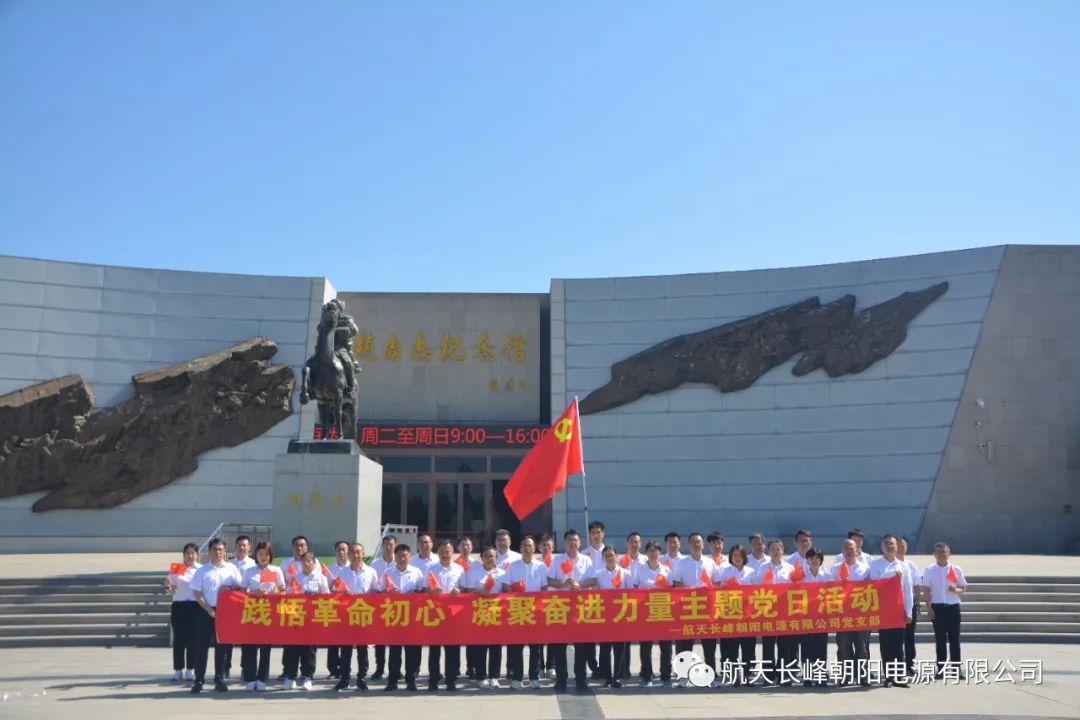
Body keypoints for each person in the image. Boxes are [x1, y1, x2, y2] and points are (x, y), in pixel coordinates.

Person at [189, 538, 243, 693]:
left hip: (225, 612)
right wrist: (208, 609)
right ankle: (199, 680)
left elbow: (240, 587)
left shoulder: (231, 568)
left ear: (224, 551)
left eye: (220, 549)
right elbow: (197, 592)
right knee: (201, 646)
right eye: (214, 549)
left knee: (222, 647)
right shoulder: (202, 570)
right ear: (209, 551)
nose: (217, 552)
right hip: (204, 611)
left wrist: (229, 588)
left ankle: (219, 679)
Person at [546, 529, 593, 692]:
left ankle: (581, 679)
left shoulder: (587, 560)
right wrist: (563, 584)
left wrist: (580, 585)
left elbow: (593, 580)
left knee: (581, 647)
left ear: (579, 542)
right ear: (565, 543)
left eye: (575, 540)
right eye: (569, 540)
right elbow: (549, 579)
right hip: (561, 607)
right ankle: (561, 680)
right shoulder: (557, 560)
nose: (572, 543)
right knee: (560, 647)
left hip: (581, 607)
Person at [670, 532, 719, 687]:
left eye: (699, 542)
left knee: (709, 646)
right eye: (693, 542)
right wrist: (690, 592)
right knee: (685, 646)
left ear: (703, 544)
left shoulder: (710, 563)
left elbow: (717, 584)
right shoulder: (681, 563)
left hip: (707, 611)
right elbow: (676, 584)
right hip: (687, 610)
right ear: (688, 545)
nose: (696, 545)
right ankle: (683, 677)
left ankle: (711, 675)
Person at [581, 545, 632, 688]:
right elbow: (594, 594)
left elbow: (631, 593)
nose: (609, 558)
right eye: (606, 556)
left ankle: (617, 677)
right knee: (605, 649)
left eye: (611, 555)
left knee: (619, 649)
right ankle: (607, 677)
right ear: (603, 558)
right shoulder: (598, 575)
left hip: (621, 616)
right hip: (604, 617)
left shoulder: (625, 573)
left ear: (617, 556)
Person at [502, 536, 549, 689]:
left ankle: (534, 677)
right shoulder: (513, 566)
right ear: (520, 548)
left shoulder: (541, 566)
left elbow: (544, 588)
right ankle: (517, 678)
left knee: (536, 648)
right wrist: (515, 590)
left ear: (534, 548)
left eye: (530, 546)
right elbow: (505, 586)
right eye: (524, 546)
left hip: (536, 611)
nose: (527, 549)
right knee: (517, 647)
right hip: (518, 610)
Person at [869, 535, 914, 687]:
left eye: (892, 544)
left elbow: (908, 590)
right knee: (886, 644)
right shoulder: (875, 564)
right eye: (887, 544)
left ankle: (899, 676)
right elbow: (875, 584)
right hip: (883, 610)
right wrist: (892, 575)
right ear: (881, 547)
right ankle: (889, 676)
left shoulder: (903, 565)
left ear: (897, 546)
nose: (890, 546)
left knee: (898, 645)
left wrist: (909, 611)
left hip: (898, 610)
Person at [240, 541, 285, 691]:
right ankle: (250, 678)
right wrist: (254, 592)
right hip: (252, 612)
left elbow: (283, 590)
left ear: (270, 555)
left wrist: (274, 594)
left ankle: (262, 679)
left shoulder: (276, 570)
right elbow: (241, 591)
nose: (263, 557)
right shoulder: (249, 571)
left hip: (268, 612)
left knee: (265, 648)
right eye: (260, 554)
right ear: (256, 555)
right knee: (250, 647)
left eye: (266, 554)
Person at [282, 551, 330, 691]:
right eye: (304, 561)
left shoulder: (320, 578)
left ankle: (308, 677)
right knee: (292, 649)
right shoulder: (296, 578)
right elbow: (288, 596)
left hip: (312, 620)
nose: (307, 564)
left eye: (309, 561)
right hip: (296, 619)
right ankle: (291, 677)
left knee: (309, 650)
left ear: (314, 563)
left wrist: (316, 596)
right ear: (300, 564)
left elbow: (327, 597)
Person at [335, 542, 379, 692]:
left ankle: (361, 678)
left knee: (362, 650)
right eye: (352, 552)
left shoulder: (371, 572)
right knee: (345, 650)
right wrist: (342, 593)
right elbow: (335, 592)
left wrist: (372, 594)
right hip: (346, 615)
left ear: (363, 554)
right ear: (348, 554)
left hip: (363, 615)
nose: (355, 555)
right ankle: (344, 678)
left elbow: (376, 591)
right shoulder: (342, 573)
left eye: (358, 552)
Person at [382, 543, 425, 691]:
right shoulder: (388, 572)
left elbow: (423, 592)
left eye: (404, 555)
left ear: (409, 557)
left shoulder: (417, 572)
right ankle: (392, 680)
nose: (401, 558)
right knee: (394, 651)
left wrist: (415, 593)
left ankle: (411, 679)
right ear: (395, 556)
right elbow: (379, 593)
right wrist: (388, 593)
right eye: (399, 555)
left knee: (412, 650)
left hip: (412, 617)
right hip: (394, 616)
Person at [461, 546, 506, 689]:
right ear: (482, 558)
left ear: (496, 558)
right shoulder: (473, 572)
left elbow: (506, 592)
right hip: (479, 613)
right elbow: (468, 591)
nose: (489, 558)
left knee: (496, 647)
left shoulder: (502, 573)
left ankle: (494, 676)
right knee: (480, 646)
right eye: (486, 555)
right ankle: (481, 676)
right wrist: (481, 592)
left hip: (496, 614)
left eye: (492, 556)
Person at [830, 539, 872, 686]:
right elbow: (829, 588)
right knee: (844, 647)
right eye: (846, 548)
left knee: (862, 647)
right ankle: (846, 676)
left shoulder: (866, 568)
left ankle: (862, 676)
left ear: (857, 550)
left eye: (851, 548)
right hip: (842, 615)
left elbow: (873, 588)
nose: (849, 551)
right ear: (842, 551)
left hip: (861, 614)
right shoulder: (835, 568)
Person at [922, 542, 966, 679]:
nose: (941, 554)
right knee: (940, 640)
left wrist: (955, 590)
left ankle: (956, 669)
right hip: (937, 608)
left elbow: (963, 588)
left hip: (953, 607)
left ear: (949, 553)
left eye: (944, 552)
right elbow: (926, 590)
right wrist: (928, 607)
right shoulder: (929, 570)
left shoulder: (956, 569)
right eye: (938, 552)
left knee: (954, 639)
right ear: (934, 554)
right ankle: (941, 669)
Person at [425, 539, 464, 691]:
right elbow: (424, 589)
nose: (445, 554)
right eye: (441, 551)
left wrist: (459, 591)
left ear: (452, 552)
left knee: (452, 649)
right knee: (434, 650)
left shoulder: (459, 569)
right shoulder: (431, 569)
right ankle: (433, 679)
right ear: (437, 553)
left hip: (454, 614)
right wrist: (431, 591)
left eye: (447, 551)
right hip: (436, 613)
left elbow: (465, 588)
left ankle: (451, 679)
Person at [754, 538, 795, 685]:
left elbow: (795, 588)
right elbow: (755, 586)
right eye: (773, 549)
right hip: (767, 611)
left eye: (778, 549)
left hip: (785, 612)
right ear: (768, 551)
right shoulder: (762, 567)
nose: (776, 552)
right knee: (768, 645)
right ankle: (768, 676)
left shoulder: (790, 568)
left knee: (785, 645)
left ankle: (783, 675)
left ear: (783, 550)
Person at [279, 535, 321, 679]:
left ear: (307, 547)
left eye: (302, 545)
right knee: (290, 643)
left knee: (309, 644)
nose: (299, 548)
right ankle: (288, 671)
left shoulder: (315, 562)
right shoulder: (285, 563)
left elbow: (319, 583)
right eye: (296, 545)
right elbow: (280, 584)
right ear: (293, 547)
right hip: (292, 609)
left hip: (310, 611)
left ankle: (307, 673)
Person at [634, 541, 673, 688]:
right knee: (645, 646)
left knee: (666, 647)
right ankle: (647, 676)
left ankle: (666, 676)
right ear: (646, 553)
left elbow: (673, 590)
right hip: (645, 613)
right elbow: (634, 588)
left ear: (660, 553)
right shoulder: (640, 570)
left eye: (655, 550)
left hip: (663, 612)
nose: (653, 553)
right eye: (650, 550)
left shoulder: (666, 570)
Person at [716, 544, 755, 686]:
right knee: (731, 649)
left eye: (740, 555)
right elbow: (717, 592)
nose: (737, 558)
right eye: (735, 555)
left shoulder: (751, 572)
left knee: (748, 648)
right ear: (731, 557)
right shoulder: (724, 571)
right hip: (730, 616)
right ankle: (733, 675)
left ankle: (747, 675)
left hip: (747, 616)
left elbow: (757, 592)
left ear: (744, 557)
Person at [165, 542, 201, 681]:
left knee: (193, 639)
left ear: (197, 555)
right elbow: (170, 585)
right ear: (183, 554)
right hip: (179, 605)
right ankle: (178, 669)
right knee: (179, 639)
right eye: (187, 553)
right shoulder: (176, 568)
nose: (190, 556)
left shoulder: (201, 569)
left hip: (195, 606)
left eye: (193, 553)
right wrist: (168, 586)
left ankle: (190, 669)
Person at [223, 535, 256, 678]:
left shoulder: (254, 564)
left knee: (246, 639)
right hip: (231, 605)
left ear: (249, 547)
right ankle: (225, 668)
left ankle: (245, 668)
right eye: (239, 545)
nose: (242, 548)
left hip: (248, 605)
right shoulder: (228, 564)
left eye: (244, 545)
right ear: (235, 547)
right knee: (228, 638)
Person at [799, 547, 831, 687]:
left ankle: (820, 677)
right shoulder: (800, 576)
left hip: (821, 618)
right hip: (805, 617)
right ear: (807, 560)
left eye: (817, 558)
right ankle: (807, 677)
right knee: (806, 648)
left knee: (820, 648)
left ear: (821, 560)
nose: (814, 560)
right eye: (811, 558)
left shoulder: (827, 576)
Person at [368, 535, 396, 681]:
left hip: (397, 607)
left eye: (391, 544)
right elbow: (373, 585)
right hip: (380, 606)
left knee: (395, 641)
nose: (388, 547)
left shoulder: (400, 561)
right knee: (380, 640)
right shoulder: (375, 564)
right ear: (382, 546)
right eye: (386, 544)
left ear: (395, 546)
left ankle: (395, 669)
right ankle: (379, 668)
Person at [324, 540, 351, 679]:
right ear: (335, 552)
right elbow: (324, 590)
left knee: (346, 641)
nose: (341, 552)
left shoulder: (352, 568)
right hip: (333, 608)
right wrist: (331, 585)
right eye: (338, 550)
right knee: (333, 641)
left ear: (348, 551)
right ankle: (333, 669)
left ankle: (345, 669)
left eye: (344, 550)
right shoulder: (330, 569)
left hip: (349, 609)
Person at [897, 537, 922, 678]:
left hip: (909, 604)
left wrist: (917, 602)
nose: (901, 548)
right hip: (895, 606)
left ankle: (910, 664)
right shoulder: (892, 564)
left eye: (903, 546)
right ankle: (898, 665)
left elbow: (916, 585)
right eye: (898, 545)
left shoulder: (911, 565)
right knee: (897, 637)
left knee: (910, 636)